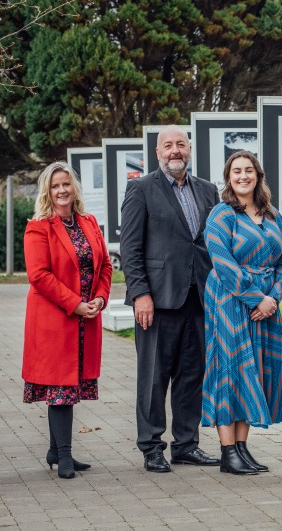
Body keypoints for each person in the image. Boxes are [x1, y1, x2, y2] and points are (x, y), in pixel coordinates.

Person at [121, 125, 221, 472]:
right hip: (157, 301)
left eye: (181, 144)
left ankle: (186, 444)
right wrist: (140, 294)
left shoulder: (209, 191)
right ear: (157, 152)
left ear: (189, 149)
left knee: (192, 374)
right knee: (153, 377)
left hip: (200, 298)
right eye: (168, 145)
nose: (175, 150)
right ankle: (151, 446)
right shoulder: (140, 189)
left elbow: (214, 243)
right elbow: (130, 249)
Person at [202, 150, 282, 474]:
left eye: (249, 170)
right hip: (229, 301)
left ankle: (242, 448)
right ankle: (227, 450)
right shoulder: (221, 214)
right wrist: (254, 297)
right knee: (230, 370)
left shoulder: (273, 214)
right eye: (237, 171)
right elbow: (222, 261)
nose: (243, 176)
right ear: (229, 178)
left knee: (254, 369)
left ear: (258, 175)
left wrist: (273, 296)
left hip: (265, 304)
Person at [22, 162, 112, 479]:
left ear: (74, 187)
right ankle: (64, 456)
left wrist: (100, 298)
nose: (62, 190)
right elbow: (39, 276)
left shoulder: (89, 222)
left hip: (86, 319)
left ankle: (54, 449)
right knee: (61, 387)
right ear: (48, 191)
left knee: (71, 385)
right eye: (55, 186)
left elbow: (105, 267)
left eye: (66, 184)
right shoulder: (38, 227)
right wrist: (75, 304)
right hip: (55, 321)